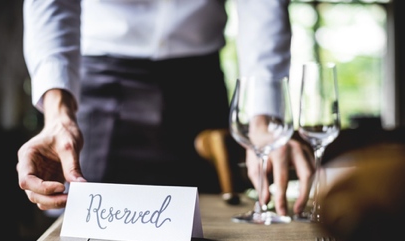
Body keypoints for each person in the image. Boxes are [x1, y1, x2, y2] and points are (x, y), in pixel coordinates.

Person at [17, 0, 314, 216]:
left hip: (198, 84)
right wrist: (58, 116)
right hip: (98, 81)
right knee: (83, 228)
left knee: (213, 230)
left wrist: (263, 121)